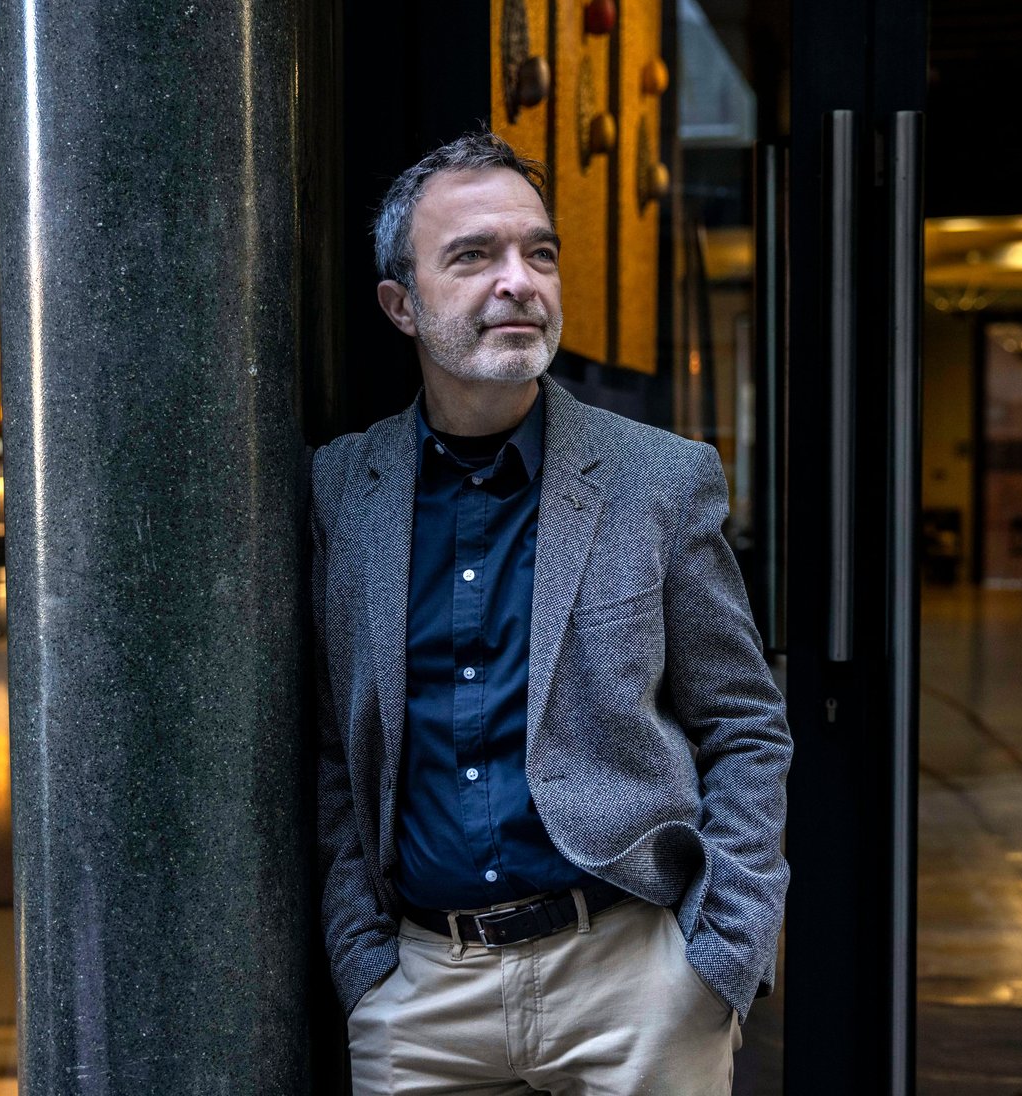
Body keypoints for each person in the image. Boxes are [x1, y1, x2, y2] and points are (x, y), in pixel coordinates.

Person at [307, 131, 792, 1094]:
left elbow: (744, 725)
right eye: (473, 255)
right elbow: (331, 744)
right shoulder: (342, 488)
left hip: (635, 983)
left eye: (540, 252)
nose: (519, 282)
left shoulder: (659, 479)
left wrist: (719, 956)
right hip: (421, 997)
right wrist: (363, 964)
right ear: (401, 306)